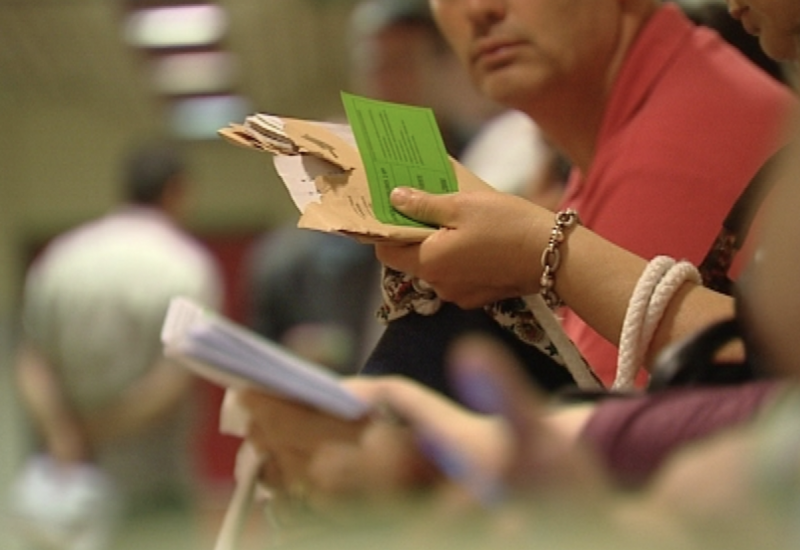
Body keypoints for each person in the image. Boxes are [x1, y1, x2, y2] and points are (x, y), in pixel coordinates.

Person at [363, 0, 796, 391]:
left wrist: (542, 248)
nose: (480, 8)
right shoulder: (617, 130)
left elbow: (612, 450)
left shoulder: (693, 131)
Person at [11, 140, 223, 549]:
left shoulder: (62, 257)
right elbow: (177, 375)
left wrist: (65, 433)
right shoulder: (187, 265)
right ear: (177, 190)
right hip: (155, 483)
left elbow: (31, 360)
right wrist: (103, 429)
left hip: (67, 478)